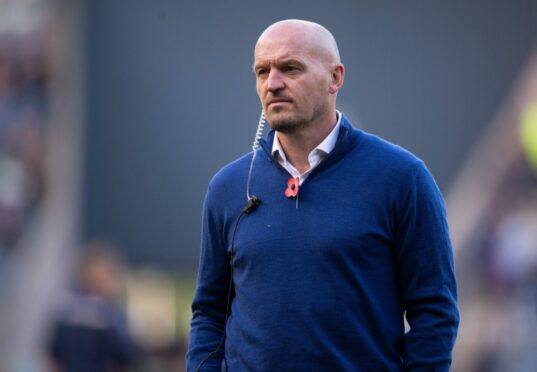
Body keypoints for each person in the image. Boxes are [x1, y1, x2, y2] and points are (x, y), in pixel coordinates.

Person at [187, 19, 459, 371]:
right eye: (262, 71)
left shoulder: (402, 178)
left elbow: (434, 313)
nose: (273, 83)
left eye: (290, 68)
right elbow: (209, 312)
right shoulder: (229, 187)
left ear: (335, 78)